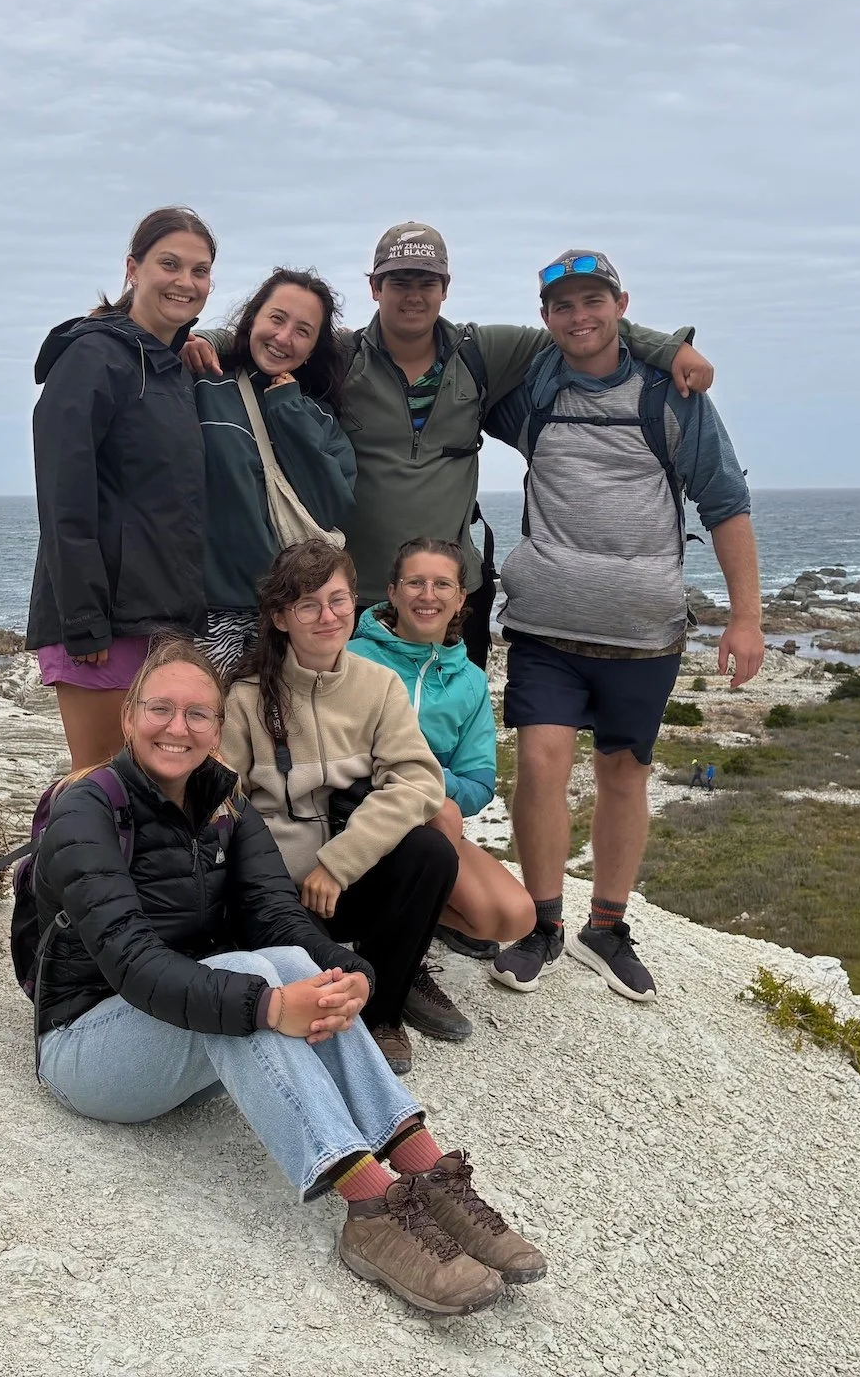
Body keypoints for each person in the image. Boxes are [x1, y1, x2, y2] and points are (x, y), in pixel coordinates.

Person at [32, 636, 545, 1314]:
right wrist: (269, 1007)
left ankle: (426, 1171)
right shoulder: (88, 810)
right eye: (160, 709)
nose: (177, 727)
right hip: (85, 1046)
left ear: (218, 728)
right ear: (129, 717)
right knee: (252, 980)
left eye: (197, 714)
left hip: (184, 1033)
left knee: (296, 965)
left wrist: (349, 972)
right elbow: (132, 962)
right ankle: (371, 1209)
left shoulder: (225, 804)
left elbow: (276, 914)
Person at [187, 221, 714, 667]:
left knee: (448, 733)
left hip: (450, 598)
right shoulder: (341, 358)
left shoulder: (482, 351)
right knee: (354, 744)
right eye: (399, 281)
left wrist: (669, 350)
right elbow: (268, 338)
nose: (413, 294)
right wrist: (202, 339)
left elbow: (580, 328)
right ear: (375, 288)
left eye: (427, 281)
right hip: (353, 598)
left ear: (446, 287)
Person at [485, 250, 762, 1003]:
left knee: (623, 774)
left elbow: (725, 501)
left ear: (621, 305)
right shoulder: (533, 386)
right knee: (540, 762)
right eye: (563, 305)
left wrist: (745, 618)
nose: (580, 317)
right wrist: (669, 343)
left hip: (644, 631)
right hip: (545, 624)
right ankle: (542, 924)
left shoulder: (672, 396)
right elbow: (452, 379)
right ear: (545, 317)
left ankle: (606, 927)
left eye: (594, 301)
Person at [218, 539, 457, 1076]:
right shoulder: (246, 697)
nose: (328, 617)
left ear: (355, 602)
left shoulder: (379, 685)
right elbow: (225, 804)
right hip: (277, 893)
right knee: (313, 981)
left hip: (348, 877)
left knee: (431, 852)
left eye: (339, 600)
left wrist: (338, 863)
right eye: (308, 605)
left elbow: (419, 779)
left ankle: (383, 1013)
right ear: (280, 617)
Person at [25, 206, 216, 768]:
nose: (185, 281)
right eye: (169, 264)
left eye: (200, 270)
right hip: (102, 624)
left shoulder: (169, 366)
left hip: (161, 618)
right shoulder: (92, 357)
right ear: (133, 269)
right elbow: (63, 498)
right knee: (99, 784)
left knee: (154, 788)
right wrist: (85, 622)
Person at [347, 537, 535, 1025]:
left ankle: (399, 924)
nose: (427, 595)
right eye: (415, 582)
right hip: (351, 810)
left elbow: (478, 784)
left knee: (513, 916)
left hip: (424, 821)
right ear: (392, 592)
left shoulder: (469, 680)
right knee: (446, 815)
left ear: (460, 598)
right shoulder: (352, 655)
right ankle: (400, 963)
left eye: (441, 585)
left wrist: (424, 775)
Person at [194, 268, 357, 673]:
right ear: (253, 319)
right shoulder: (203, 386)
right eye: (277, 319)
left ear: (314, 347)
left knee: (289, 718)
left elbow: (329, 508)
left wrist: (287, 407)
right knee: (202, 716)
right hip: (204, 614)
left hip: (291, 616)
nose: (284, 338)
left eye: (303, 331)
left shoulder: (319, 416)